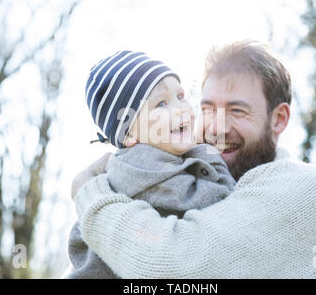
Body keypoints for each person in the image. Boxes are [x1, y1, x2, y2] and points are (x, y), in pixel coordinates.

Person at [70, 40, 316, 278]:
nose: (217, 128)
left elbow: (174, 265)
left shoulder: (303, 192)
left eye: (237, 111)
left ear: (279, 119)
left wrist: (89, 195)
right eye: (208, 109)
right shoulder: (188, 171)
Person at [65, 51, 236, 278]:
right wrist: (209, 153)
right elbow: (220, 204)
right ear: (128, 135)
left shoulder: (155, 162)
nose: (182, 108)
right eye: (162, 104)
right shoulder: (143, 168)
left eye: (181, 96)